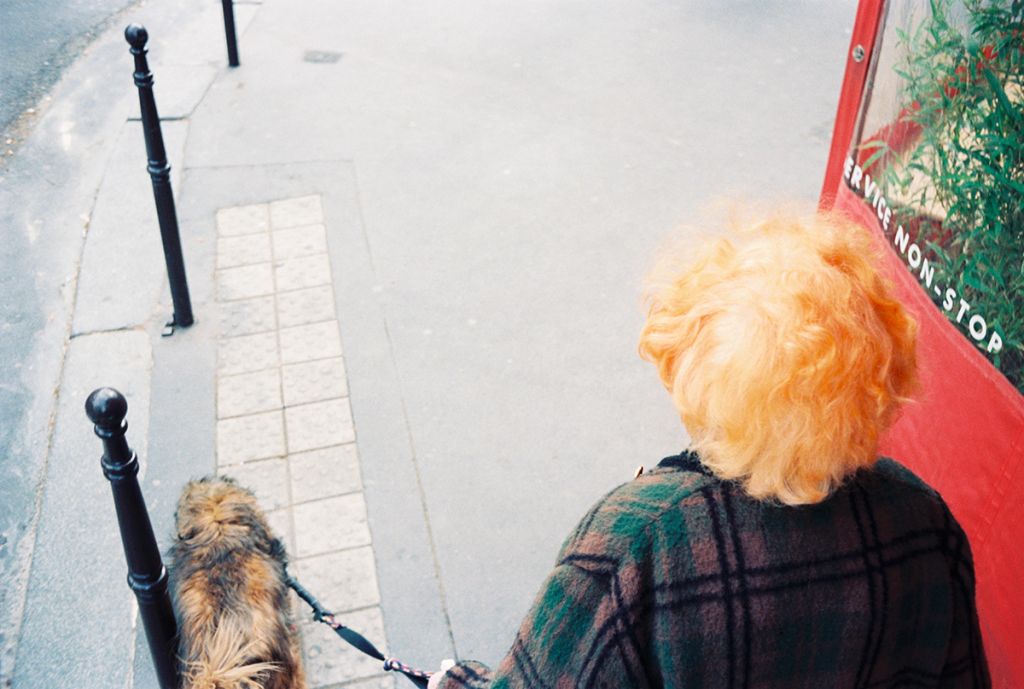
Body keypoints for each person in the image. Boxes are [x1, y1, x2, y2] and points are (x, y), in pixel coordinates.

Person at [428, 212, 990, 689]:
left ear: (694, 373)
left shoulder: (635, 540)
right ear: (880, 374)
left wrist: (456, 680)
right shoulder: (922, 519)